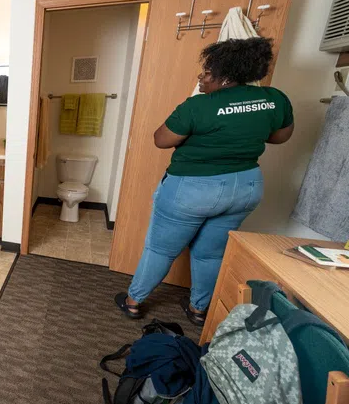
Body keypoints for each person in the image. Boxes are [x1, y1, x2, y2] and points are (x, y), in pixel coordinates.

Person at [115, 37, 294, 326]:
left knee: (161, 249)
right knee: (211, 253)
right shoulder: (275, 99)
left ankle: (134, 301)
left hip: (192, 189)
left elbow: (162, 140)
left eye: (207, 72)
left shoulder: (199, 106)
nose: (201, 77)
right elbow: (279, 136)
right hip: (245, 188)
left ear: (225, 77)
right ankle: (198, 309)